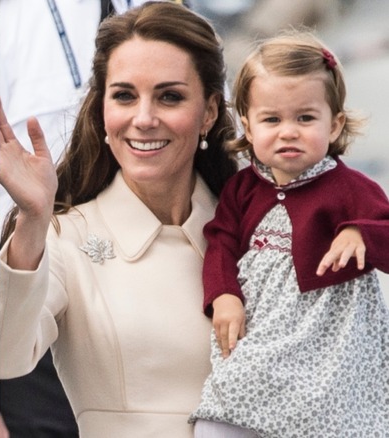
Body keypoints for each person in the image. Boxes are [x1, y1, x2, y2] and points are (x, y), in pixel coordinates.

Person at [0, 2, 237, 436]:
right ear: (102, 110)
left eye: (170, 96)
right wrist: (32, 221)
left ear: (209, 112)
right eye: (124, 95)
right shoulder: (65, 237)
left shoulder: (254, 230)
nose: (143, 119)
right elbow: (9, 355)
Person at [190, 31, 389, 437]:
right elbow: (221, 243)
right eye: (271, 119)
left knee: (322, 413)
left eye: (305, 118)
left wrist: (360, 234)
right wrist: (223, 294)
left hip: (327, 336)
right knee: (225, 406)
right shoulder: (242, 188)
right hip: (261, 328)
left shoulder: (351, 187)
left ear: (334, 125)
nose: (288, 131)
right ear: (247, 126)